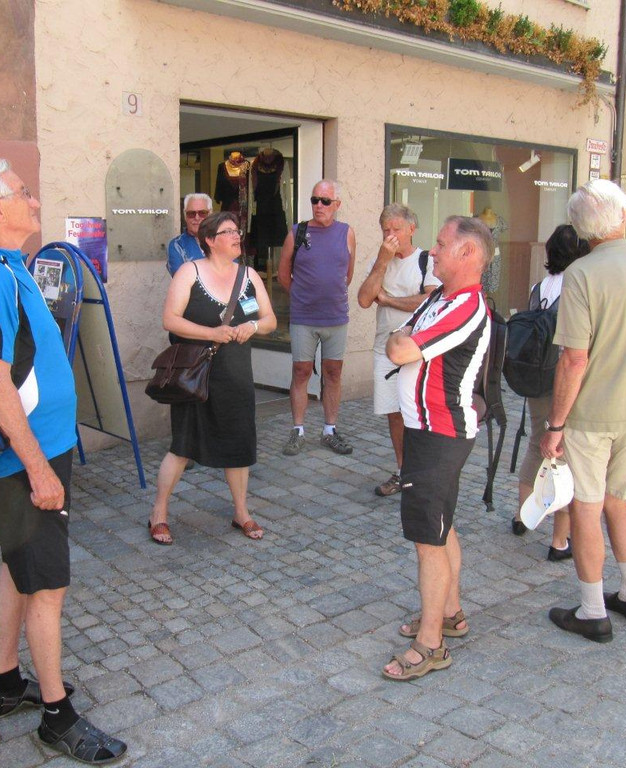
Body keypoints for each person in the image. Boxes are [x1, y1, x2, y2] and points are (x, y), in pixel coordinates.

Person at [0, 160, 126, 762]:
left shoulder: (5, 265)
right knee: (48, 585)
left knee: (17, 568)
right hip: (26, 459)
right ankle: (57, 716)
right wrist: (38, 468)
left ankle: (6, 685)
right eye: (22, 192)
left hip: (36, 450)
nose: (32, 198)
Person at [541, 180, 626, 643]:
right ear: (622, 214)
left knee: (587, 507)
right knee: (619, 502)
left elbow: (574, 358)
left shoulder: (582, 273)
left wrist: (555, 423)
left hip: (591, 415)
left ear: (582, 228)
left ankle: (592, 609)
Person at [382, 216, 492, 682]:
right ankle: (450, 612)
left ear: (468, 254)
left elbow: (401, 350)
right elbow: (399, 337)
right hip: (429, 429)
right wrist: (398, 340)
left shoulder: (466, 306)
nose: (434, 249)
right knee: (442, 526)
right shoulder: (438, 298)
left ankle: (431, 644)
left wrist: (398, 342)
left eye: (443, 244)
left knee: (428, 538)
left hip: (439, 432)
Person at [149, 211, 277, 545]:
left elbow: (270, 320)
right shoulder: (189, 271)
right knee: (182, 445)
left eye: (238, 231)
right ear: (209, 240)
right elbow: (170, 320)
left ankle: (241, 513)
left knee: (239, 443)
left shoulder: (249, 275)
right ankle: (158, 513)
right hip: (196, 375)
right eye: (228, 231)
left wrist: (253, 326)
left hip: (235, 374)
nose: (237, 236)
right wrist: (212, 332)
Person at [511, 224, 590, 559]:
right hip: (564, 379)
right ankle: (560, 539)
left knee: (535, 445)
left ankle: (522, 516)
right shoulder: (580, 285)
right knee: (565, 456)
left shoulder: (539, 286)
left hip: (537, 378)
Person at [358, 203, 441, 497]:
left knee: (418, 413)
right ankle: (403, 471)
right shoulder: (381, 259)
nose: (390, 235)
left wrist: (390, 300)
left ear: (411, 229)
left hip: (418, 350)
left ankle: (423, 472)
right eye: (385, 230)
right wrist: (382, 261)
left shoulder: (426, 260)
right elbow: (365, 300)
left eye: (396, 229)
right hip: (385, 349)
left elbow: (430, 301)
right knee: (395, 414)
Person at [277, 179, 356, 456]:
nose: (318, 206)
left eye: (325, 201)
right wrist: (302, 296)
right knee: (301, 372)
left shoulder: (346, 233)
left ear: (337, 205)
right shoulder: (297, 233)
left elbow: (347, 274)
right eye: (314, 200)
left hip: (336, 318)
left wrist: (328, 294)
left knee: (333, 373)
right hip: (304, 318)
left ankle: (329, 429)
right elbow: (283, 275)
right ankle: (298, 429)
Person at [166, 193, 212, 276]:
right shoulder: (177, 245)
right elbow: (181, 278)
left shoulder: (222, 240)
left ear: (210, 214)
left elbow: (233, 272)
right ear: (185, 216)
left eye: (202, 213)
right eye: (191, 213)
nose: (197, 218)